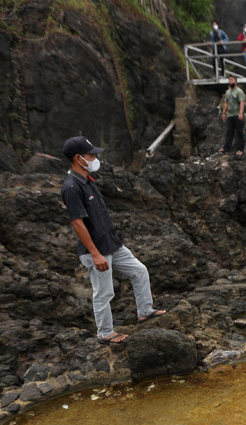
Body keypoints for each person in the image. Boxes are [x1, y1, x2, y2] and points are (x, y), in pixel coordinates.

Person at [60, 136, 166, 345]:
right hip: (96, 250)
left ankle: (145, 311)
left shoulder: (88, 181)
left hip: (111, 244)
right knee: (104, 292)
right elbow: (78, 223)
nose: (95, 158)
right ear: (77, 158)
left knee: (139, 271)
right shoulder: (72, 187)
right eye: (91, 155)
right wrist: (95, 253)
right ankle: (105, 333)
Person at [220, 75, 246, 156]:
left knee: (239, 132)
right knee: (229, 132)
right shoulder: (227, 92)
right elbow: (226, 103)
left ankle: (241, 149)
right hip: (230, 115)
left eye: (232, 80)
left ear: (236, 81)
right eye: (229, 80)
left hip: (237, 114)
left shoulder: (239, 91)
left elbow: (242, 102)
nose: (230, 81)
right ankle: (226, 148)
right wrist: (224, 113)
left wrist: (241, 113)